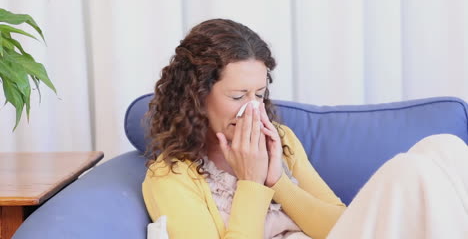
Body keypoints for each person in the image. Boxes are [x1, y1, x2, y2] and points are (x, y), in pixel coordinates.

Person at [142, 18, 468, 239]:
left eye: (259, 94)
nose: (252, 108)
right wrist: (252, 183)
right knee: (408, 171)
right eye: (238, 96)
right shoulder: (171, 176)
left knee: (444, 147)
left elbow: (337, 224)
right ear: (197, 97)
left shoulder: (281, 140)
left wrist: (277, 181)